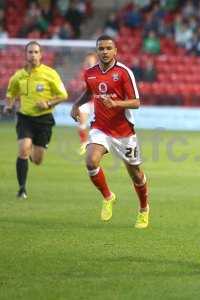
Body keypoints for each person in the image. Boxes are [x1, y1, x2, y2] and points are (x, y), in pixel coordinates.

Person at [70, 35, 149, 229]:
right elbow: (89, 93)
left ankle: (144, 209)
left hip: (124, 132)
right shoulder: (89, 73)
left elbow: (136, 102)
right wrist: (76, 105)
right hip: (101, 128)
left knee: (136, 175)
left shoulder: (124, 73)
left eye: (108, 48)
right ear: (97, 51)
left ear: (115, 51)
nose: (105, 51)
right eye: (101, 48)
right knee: (90, 161)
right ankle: (108, 196)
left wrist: (115, 103)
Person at [3, 41, 68, 199]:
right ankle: (22, 189)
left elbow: (63, 95)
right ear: (25, 55)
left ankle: (33, 154)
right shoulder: (18, 76)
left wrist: (48, 103)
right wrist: (9, 106)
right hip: (25, 117)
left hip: (44, 120)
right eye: (30, 52)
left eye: (35, 52)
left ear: (41, 55)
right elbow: (11, 94)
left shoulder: (50, 73)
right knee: (23, 148)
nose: (33, 55)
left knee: (37, 160)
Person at [76, 52, 97, 155]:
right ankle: (84, 143)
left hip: (97, 101)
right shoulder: (82, 73)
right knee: (82, 124)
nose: (89, 62)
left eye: (91, 60)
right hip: (85, 101)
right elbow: (79, 86)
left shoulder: (99, 72)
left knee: (100, 125)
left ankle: (99, 144)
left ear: (94, 61)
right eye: (88, 60)